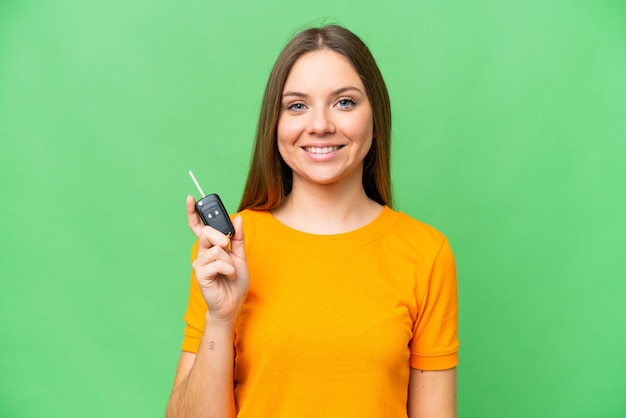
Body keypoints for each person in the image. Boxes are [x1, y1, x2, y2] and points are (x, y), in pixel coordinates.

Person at [166, 24, 459, 418]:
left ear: (376, 115)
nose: (319, 125)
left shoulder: (426, 253)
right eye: (298, 105)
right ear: (276, 123)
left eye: (344, 102)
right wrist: (221, 319)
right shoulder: (229, 246)